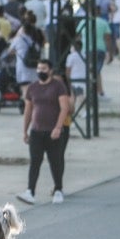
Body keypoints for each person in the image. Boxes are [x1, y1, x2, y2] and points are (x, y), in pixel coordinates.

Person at [17, 59, 71, 205]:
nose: (41, 71)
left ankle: (58, 189)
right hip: (36, 131)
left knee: (55, 161)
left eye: (44, 68)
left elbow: (64, 108)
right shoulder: (33, 88)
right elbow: (28, 110)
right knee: (35, 161)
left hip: (53, 131)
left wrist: (58, 127)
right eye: (39, 68)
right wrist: (25, 131)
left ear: (50, 70)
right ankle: (30, 191)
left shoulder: (58, 86)